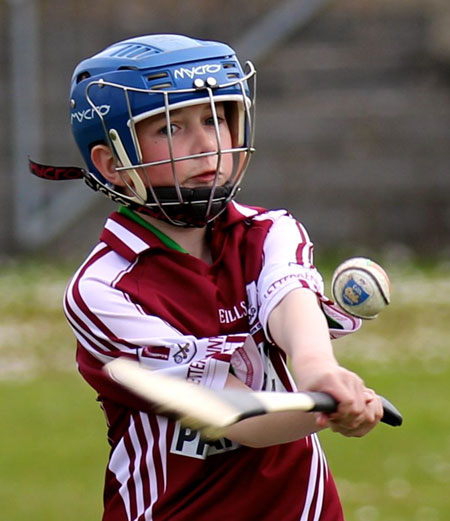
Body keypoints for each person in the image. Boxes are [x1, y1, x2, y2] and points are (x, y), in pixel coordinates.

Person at [31, 34, 383, 520]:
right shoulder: (102, 291)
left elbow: (291, 305)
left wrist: (321, 374)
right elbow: (239, 417)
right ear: (112, 164)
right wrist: (331, 408)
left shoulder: (270, 232)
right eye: (171, 127)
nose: (207, 145)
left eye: (216, 118)